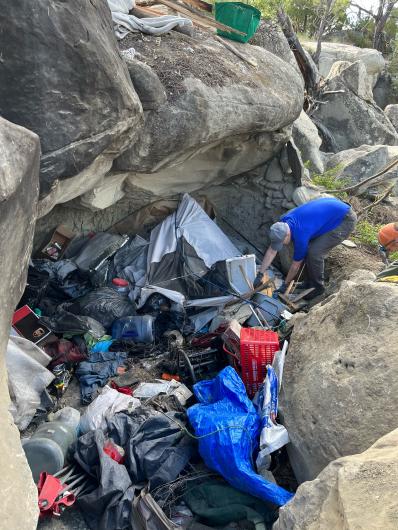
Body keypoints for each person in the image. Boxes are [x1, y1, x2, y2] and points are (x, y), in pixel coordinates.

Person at [253, 197, 357, 300]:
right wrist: (260, 274)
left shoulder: (300, 236)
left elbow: (295, 266)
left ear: (287, 235)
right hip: (333, 211)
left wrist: (285, 285)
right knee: (310, 248)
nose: (283, 245)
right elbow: (272, 251)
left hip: (344, 219)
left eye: (282, 242)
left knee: (314, 252)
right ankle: (308, 282)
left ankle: (317, 288)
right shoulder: (283, 222)